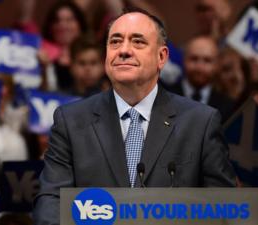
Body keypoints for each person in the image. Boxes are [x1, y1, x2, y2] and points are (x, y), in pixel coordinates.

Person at [33, 8, 236, 225]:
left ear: (161, 57)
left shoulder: (200, 122)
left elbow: (223, 208)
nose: (124, 50)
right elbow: (51, 201)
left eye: (138, 42)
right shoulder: (70, 120)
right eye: (115, 42)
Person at [167, 35, 234, 122]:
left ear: (217, 64)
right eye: (194, 59)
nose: (200, 67)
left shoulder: (227, 106)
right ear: (184, 59)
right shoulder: (164, 98)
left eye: (207, 60)